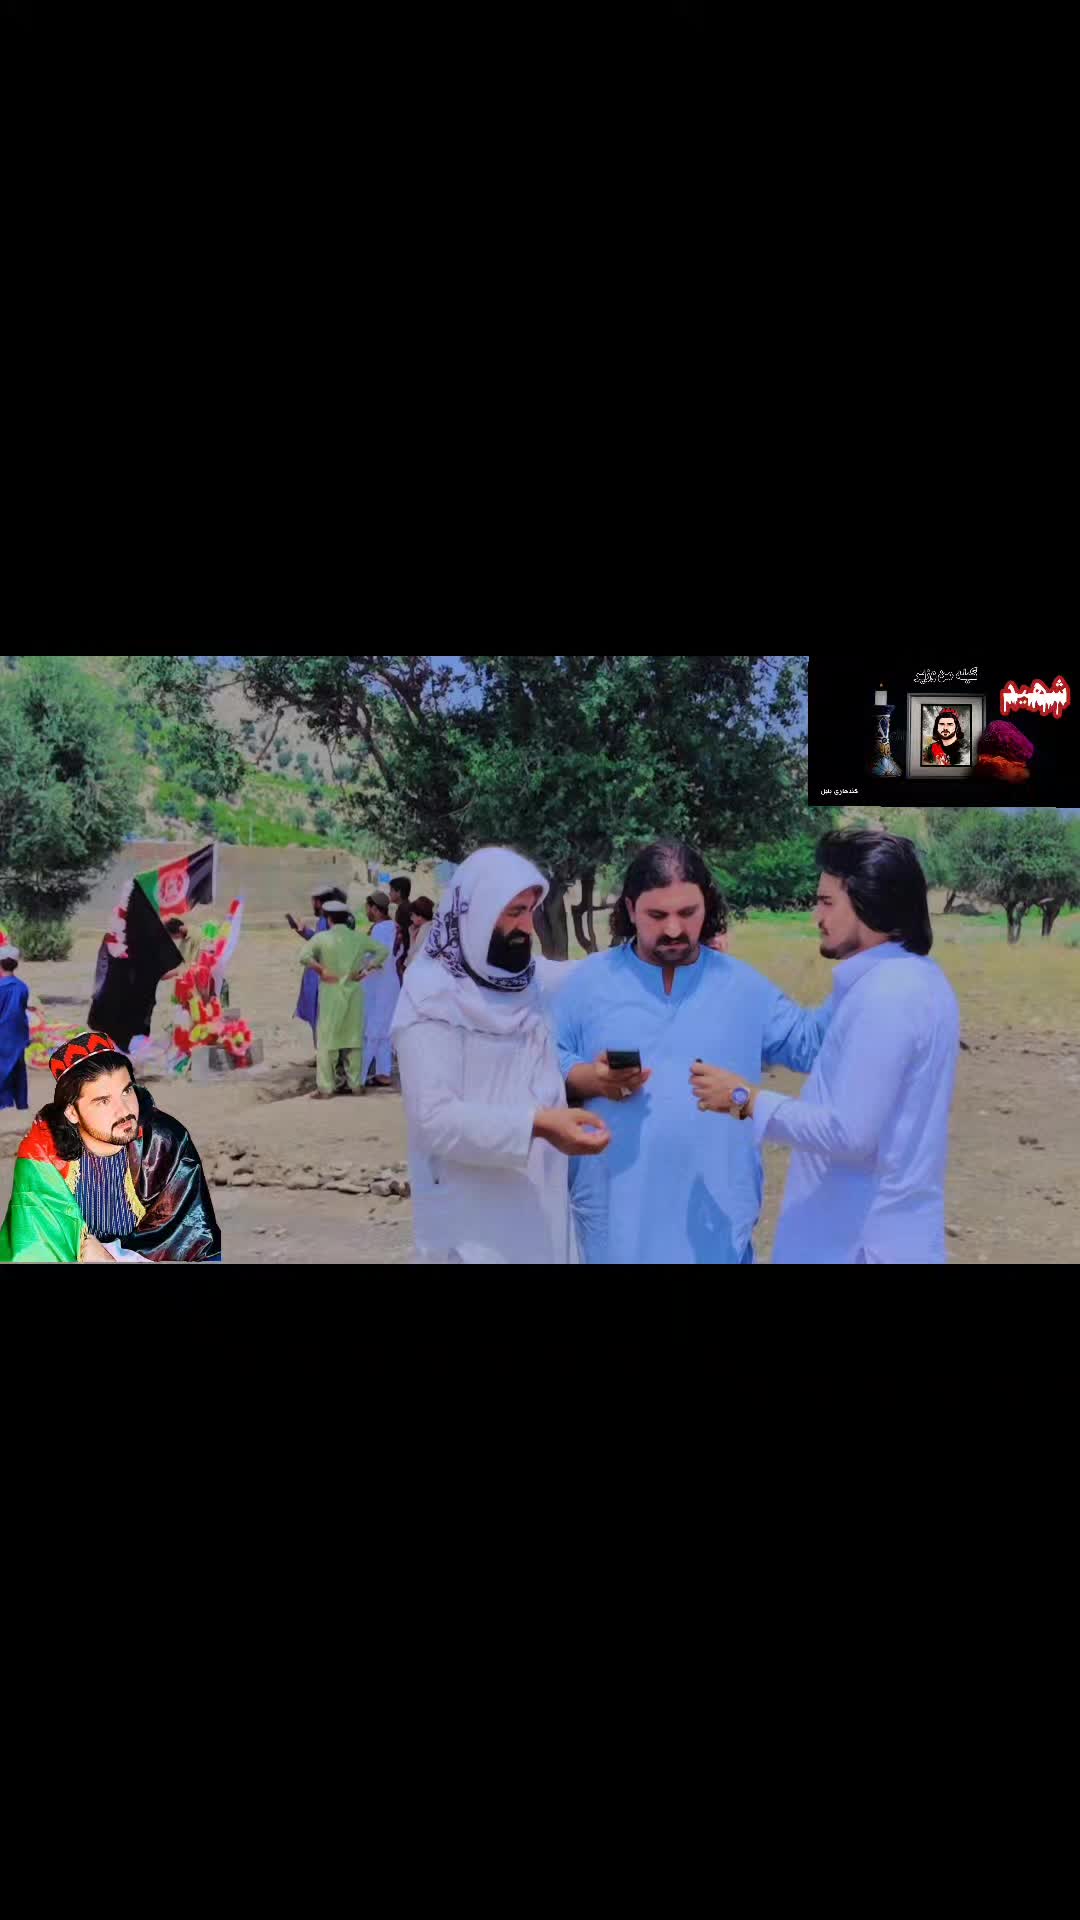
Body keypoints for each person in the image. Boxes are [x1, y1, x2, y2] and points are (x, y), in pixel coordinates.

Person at [554, 839, 833, 1265]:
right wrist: (591, 1080)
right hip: (616, 1225)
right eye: (657, 915)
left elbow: (811, 1045)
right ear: (630, 909)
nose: (673, 929)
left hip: (714, 1227)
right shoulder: (587, 983)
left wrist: (864, 968)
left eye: (688, 913)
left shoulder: (742, 986)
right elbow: (543, 1061)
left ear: (707, 906)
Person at [691, 830, 960, 1264]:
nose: (817, 916)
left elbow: (850, 1133)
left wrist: (744, 1100)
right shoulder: (916, 979)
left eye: (827, 902)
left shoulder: (888, 995)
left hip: (860, 1244)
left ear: (867, 902)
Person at [390, 847, 611, 1264]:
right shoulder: (431, 998)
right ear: (475, 914)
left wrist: (657, 947)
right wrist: (537, 1125)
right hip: (471, 1228)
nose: (526, 927)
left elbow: (595, 974)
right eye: (513, 912)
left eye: (530, 911)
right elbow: (433, 1121)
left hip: (541, 1219)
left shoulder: (527, 981)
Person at [0, 1030, 221, 1262]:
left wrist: (111, 1256)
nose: (124, 1111)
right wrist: (84, 1249)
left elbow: (193, 1239)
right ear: (72, 1113)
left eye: (126, 1091)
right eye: (103, 1101)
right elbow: (34, 1244)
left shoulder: (164, 1142)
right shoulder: (43, 1150)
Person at [300, 892, 389, 1098]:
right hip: (354, 991)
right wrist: (366, 970)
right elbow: (383, 951)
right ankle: (355, 1084)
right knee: (353, 1039)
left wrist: (321, 970)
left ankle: (326, 1088)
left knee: (327, 1041)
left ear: (328, 918)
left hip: (331, 993)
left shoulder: (322, 938)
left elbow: (303, 956)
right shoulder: (358, 938)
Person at [288, 884, 347, 1048]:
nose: (312, 904)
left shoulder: (328, 920)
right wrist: (304, 932)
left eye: (313, 901)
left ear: (319, 902)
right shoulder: (326, 919)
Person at [362, 892, 400, 1086]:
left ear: (375, 909)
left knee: (372, 1030)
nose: (366, 912)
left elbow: (375, 958)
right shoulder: (394, 926)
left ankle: (358, 1078)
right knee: (384, 1030)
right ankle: (383, 1073)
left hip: (379, 986)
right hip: (390, 984)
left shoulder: (379, 930)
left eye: (368, 908)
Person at [0, 943, 30, 1111]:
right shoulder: (22, 987)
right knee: (18, 1069)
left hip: (2, 1034)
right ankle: (21, 1102)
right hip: (18, 1034)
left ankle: (3, 1102)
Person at [405, 895, 435, 969]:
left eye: (412, 915)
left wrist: (411, 936)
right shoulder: (432, 926)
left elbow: (411, 960)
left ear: (420, 917)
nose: (411, 918)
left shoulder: (423, 931)